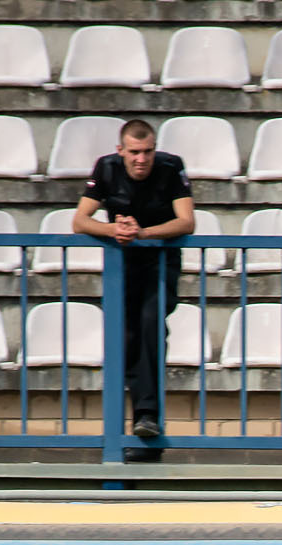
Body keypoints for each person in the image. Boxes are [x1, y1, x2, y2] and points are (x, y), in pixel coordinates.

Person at [70, 119, 195, 447]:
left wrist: (143, 234)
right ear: (120, 150)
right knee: (125, 337)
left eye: (148, 151)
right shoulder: (106, 168)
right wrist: (115, 230)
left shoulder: (171, 167)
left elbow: (186, 221)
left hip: (160, 264)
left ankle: (146, 415)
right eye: (135, 152)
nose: (142, 159)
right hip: (122, 266)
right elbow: (80, 221)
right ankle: (141, 426)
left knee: (151, 324)